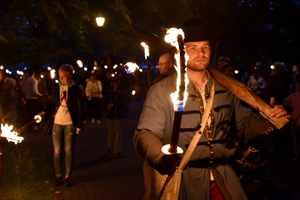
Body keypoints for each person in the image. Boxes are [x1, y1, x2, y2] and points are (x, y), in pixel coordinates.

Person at [133, 18, 289, 200]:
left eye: (205, 47)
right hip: (183, 178)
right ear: (180, 52)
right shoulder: (160, 90)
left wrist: (270, 117)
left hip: (224, 175)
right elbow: (146, 133)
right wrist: (159, 156)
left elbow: (242, 126)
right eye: (193, 48)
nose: (201, 52)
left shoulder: (225, 88)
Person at [39, 64, 85, 187]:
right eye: (60, 77)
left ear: (70, 76)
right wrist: (44, 111)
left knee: (68, 150)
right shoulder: (56, 88)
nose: (61, 79)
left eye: (64, 77)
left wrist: (79, 125)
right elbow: (52, 103)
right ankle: (58, 176)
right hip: (57, 123)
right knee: (57, 150)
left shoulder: (75, 89)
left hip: (69, 123)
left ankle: (68, 176)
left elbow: (80, 107)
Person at [105, 79, 127, 158]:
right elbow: (104, 102)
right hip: (110, 116)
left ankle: (118, 150)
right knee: (111, 133)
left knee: (118, 134)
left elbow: (123, 105)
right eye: (113, 85)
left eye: (116, 85)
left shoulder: (120, 94)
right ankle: (109, 148)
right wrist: (106, 107)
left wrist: (124, 116)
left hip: (118, 115)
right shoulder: (108, 93)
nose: (115, 86)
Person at [283, 78, 300, 162]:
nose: (297, 88)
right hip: (295, 118)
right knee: (296, 138)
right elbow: (285, 101)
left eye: (298, 86)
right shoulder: (294, 95)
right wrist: (292, 106)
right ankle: (297, 154)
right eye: (296, 86)